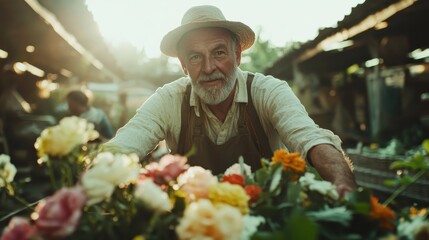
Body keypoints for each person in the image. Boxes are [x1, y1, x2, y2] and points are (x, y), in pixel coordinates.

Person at [103, 5, 356, 196]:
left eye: (219, 52)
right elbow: (125, 145)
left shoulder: (268, 91)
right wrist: (92, 181)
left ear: (237, 56)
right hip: (194, 223)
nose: (209, 67)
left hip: (265, 219)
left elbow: (310, 139)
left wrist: (344, 187)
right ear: (183, 66)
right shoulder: (170, 99)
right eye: (195, 57)